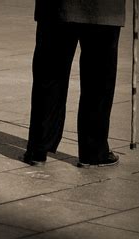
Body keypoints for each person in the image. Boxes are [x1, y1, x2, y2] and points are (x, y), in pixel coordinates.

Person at [23, 0, 126, 167]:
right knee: (98, 82)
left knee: (50, 77)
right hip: (104, 9)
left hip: (57, 6)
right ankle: (93, 152)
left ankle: (38, 148)